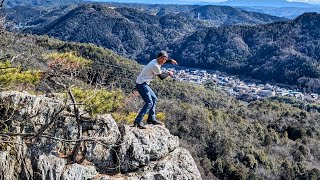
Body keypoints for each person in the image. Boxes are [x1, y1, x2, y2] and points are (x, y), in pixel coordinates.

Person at [133, 50, 177, 129]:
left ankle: (151, 119)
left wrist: (170, 61)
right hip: (141, 84)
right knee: (149, 103)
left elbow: (162, 62)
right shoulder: (155, 65)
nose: (163, 61)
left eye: (165, 59)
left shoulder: (156, 61)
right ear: (158, 58)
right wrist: (169, 73)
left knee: (154, 99)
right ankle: (138, 121)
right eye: (162, 59)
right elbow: (161, 77)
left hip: (144, 83)